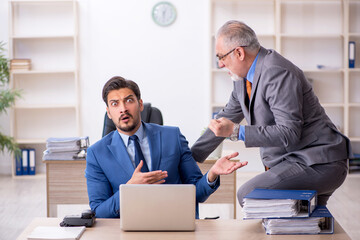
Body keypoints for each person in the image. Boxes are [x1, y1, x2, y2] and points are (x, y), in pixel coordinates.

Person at [191, 21, 352, 207]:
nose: (220, 64)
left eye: (221, 57)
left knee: (249, 195)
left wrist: (236, 131)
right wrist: (188, 158)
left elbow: (288, 132)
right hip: (297, 161)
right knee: (294, 226)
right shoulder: (241, 80)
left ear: (239, 53)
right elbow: (223, 121)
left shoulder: (276, 72)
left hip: (320, 162)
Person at [85, 76, 248, 218]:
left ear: (140, 104)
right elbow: (99, 211)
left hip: (176, 223)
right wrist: (129, 189)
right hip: (129, 228)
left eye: (129, 100)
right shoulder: (96, 153)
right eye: (115, 104)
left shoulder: (172, 136)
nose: (123, 109)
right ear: (108, 112)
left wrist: (211, 174)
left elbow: (195, 192)